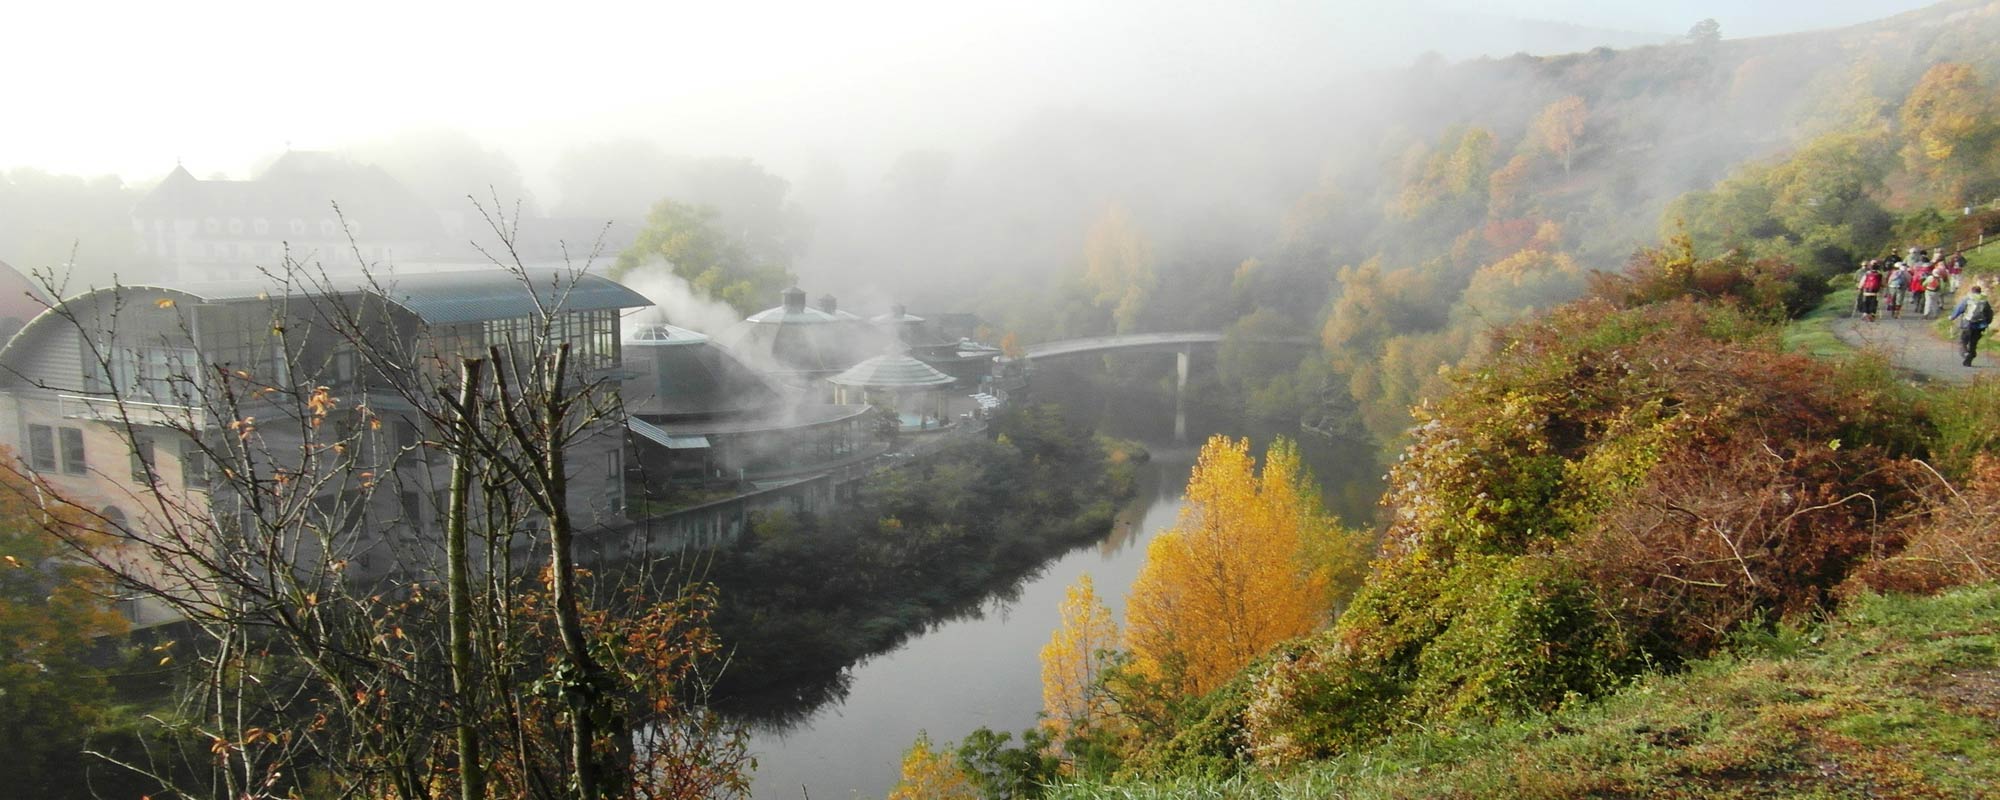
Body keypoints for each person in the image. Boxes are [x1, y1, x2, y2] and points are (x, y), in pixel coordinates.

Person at [1950, 285, 1993, 367]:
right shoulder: (1984, 300)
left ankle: (1965, 353)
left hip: (1968, 324)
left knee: (1963, 341)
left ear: (1972, 291)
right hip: (1980, 326)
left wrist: (1952, 317)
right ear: (1980, 292)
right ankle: (1970, 357)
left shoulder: (1968, 298)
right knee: (1973, 343)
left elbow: (1960, 309)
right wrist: (1988, 322)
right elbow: (1989, 313)